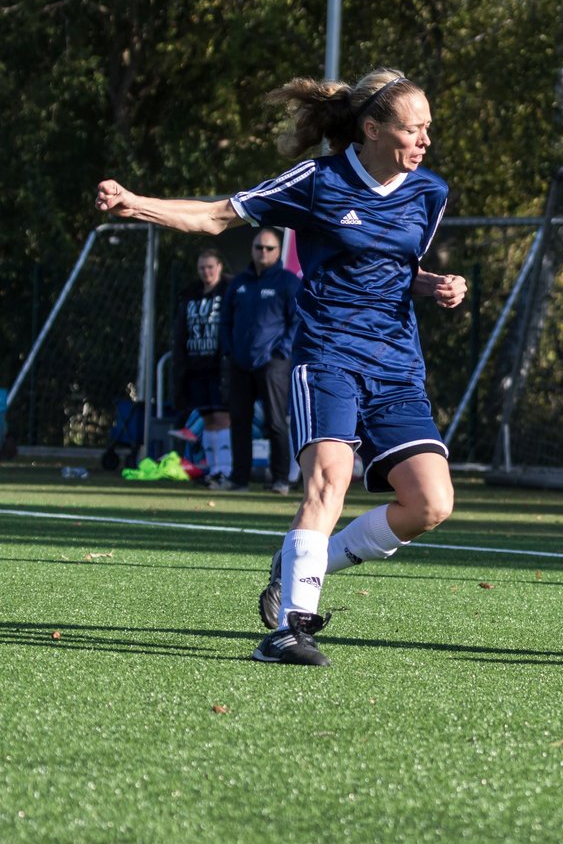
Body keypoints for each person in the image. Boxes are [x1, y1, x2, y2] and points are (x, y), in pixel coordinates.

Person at [95, 67, 467, 667]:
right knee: (329, 479)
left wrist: (437, 286)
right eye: (413, 129)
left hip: (397, 363)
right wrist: (136, 204)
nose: (425, 141)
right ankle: (290, 628)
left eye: (429, 129)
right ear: (371, 128)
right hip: (327, 354)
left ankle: (300, 560)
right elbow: (217, 216)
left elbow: (394, 273)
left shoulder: (430, 192)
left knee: (429, 504)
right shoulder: (319, 182)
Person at [217, 227, 298, 494]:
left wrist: (280, 352)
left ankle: (280, 480)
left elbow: (296, 320)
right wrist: (230, 350)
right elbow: (225, 319)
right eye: (258, 247)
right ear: (252, 250)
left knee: (275, 422)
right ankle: (239, 479)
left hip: (273, 364)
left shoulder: (287, 282)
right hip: (240, 363)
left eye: (269, 248)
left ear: (277, 251)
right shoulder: (239, 283)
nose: (263, 252)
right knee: (239, 420)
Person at [172, 248, 232, 485]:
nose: (206, 272)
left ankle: (226, 469)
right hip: (195, 364)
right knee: (207, 418)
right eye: (202, 268)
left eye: (210, 266)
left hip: (220, 366)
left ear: (219, 267)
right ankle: (212, 467)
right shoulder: (190, 295)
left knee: (222, 416)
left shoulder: (229, 292)